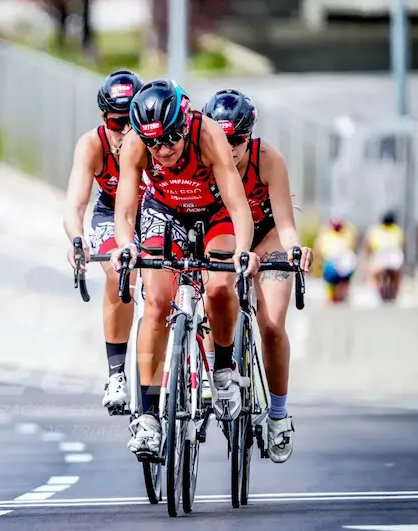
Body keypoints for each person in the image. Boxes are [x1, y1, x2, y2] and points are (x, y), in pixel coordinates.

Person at [109, 79, 260, 459]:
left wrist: (243, 250)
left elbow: (238, 205)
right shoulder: (135, 143)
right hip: (165, 212)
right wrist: (125, 244)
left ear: (185, 121)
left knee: (220, 288)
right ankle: (148, 418)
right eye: (154, 143)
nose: (163, 150)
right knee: (157, 304)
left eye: (172, 138)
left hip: (215, 213)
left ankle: (222, 371)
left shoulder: (207, 135)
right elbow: (125, 210)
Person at [202, 88, 313, 463]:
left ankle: (278, 415)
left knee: (271, 326)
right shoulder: (203, 157)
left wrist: (296, 249)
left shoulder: (268, 159)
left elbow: (286, 223)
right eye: (223, 140)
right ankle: (212, 369)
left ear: (250, 136)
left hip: (267, 235)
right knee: (213, 294)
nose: (230, 148)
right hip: (225, 233)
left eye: (238, 140)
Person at [63, 69, 146, 415]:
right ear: (103, 119)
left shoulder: (155, 140)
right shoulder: (92, 145)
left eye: (132, 122)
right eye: (116, 122)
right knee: (120, 270)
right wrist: (77, 239)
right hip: (111, 213)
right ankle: (116, 374)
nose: (125, 131)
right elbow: (75, 205)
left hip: (154, 210)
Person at [363, 209, 405, 301]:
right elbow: (402, 245)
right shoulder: (397, 230)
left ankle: (375, 290)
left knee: (373, 273)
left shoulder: (375, 230)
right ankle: (396, 291)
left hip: (381, 257)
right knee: (397, 274)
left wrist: (368, 258)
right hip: (393, 257)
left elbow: (369, 245)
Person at [316, 217, 358, 303]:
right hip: (331, 264)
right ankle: (332, 295)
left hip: (344, 264)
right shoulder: (326, 236)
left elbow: (351, 249)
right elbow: (320, 251)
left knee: (345, 278)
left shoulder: (346, 235)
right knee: (330, 279)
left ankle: (343, 294)